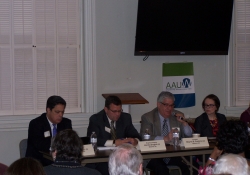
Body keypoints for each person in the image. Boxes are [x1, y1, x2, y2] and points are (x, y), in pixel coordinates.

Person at [140, 91, 193, 175]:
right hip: (154, 156)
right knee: (162, 169)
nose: (169, 108)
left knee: (189, 166)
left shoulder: (176, 116)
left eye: (171, 105)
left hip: (173, 154)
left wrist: (184, 123)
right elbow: (145, 137)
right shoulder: (148, 117)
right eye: (166, 105)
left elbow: (189, 135)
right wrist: (165, 139)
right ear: (159, 104)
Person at [86, 95, 141, 175]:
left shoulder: (126, 118)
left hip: (123, 158)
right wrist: (114, 142)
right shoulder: (96, 119)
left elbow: (136, 135)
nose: (118, 114)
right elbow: (92, 140)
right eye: (114, 111)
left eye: (119, 111)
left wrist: (135, 140)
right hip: (102, 159)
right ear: (106, 109)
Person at [25, 95, 72, 166]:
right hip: (39, 163)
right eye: (57, 112)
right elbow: (40, 145)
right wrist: (58, 147)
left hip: (61, 162)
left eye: (62, 112)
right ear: (48, 110)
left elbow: (69, 142)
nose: (60, 115)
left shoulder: (66, 123)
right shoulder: (36, 124)